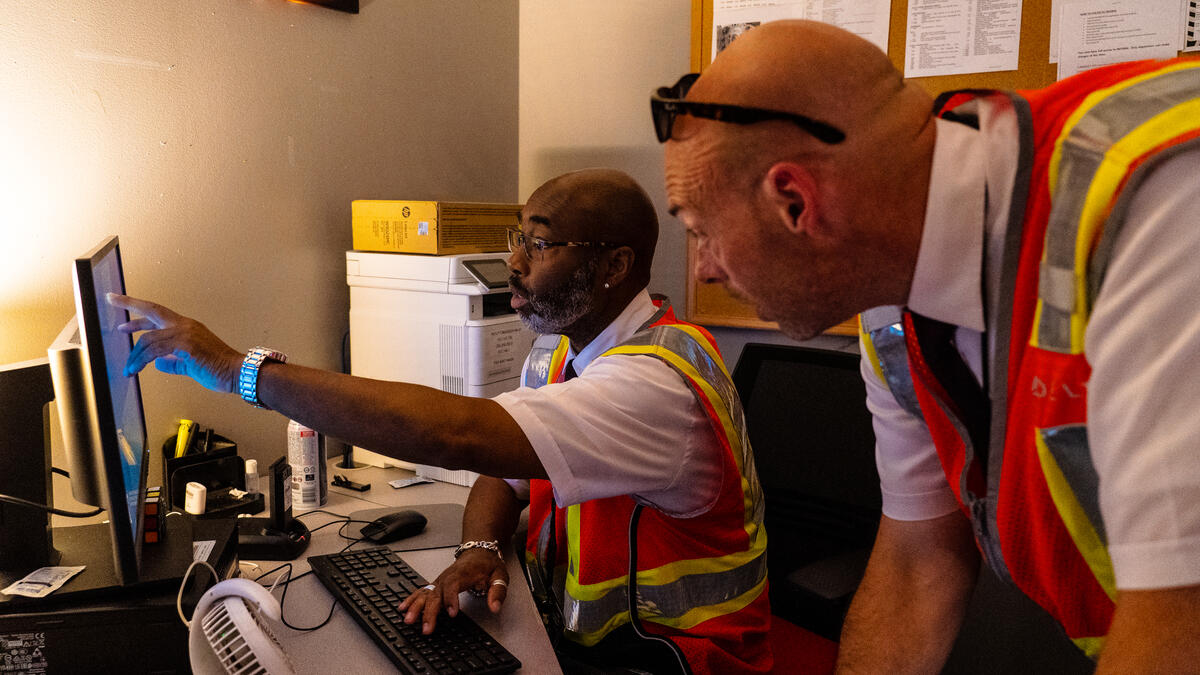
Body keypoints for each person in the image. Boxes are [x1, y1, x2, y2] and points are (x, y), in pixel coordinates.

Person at [655, 18, 1200, 674]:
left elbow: (1183, 625)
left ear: (796, 201)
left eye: (700, 230)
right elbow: (919, 560)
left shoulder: (1156, 200)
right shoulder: (893, 285)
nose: (706, 269)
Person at [112, 168, 771, 674]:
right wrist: (479, 549)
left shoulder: (653, 386)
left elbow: (458, 435)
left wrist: (237, 370)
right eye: (518, 238)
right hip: (578, 640)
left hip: (677, 659)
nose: (514, 262)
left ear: (616, 266)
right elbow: (502, 471)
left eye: (539, 245)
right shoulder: (564, 348)